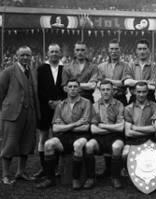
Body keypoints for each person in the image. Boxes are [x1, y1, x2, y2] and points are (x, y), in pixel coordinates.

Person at [36, 79, 92, 190]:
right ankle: (50, 179)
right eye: (70, 86)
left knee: (77, 145)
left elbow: (86, 127)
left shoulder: (86, 103)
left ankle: (75, 179)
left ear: (79, 89)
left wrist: (65, 126)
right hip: (64, 137)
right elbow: (56, 128)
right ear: (65, 89)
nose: (72, 89)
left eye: (75, 86)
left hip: (82, 136)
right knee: (48, 144)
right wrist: (76, 124)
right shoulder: (60, 105)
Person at [0, 46, 40, 185]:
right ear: (16, 55)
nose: (25, 58)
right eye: (22, 55)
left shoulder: (33, 72)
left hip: (30, 112)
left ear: (31, 56)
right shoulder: (8, 72)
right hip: (12, 113)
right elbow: (1, 92)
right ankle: (5, 175)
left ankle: (20, 172)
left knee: (27, 143)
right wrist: (4, 110)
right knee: (9, 144)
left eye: (28, 55)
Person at [85, 80, 125, 189]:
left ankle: (115, 177)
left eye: (108, 89)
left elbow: (121, 128)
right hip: (100, 138)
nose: (106, 92)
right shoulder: (94, 106)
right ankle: (91, 178)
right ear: (100, 91)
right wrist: (112, 128)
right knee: (89, 146)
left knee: (116, 147)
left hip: (116, 137)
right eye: (103, 89)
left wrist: (102, 125)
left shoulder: (119, 105)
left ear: (113, 91)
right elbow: (93, 129)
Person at [34, 44, 66, 179]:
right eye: (52, 51)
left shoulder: (65, 68)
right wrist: (48, 101)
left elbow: (67, 87)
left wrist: (60, 102)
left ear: (60, 53)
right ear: (47, 53)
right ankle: (44, 168)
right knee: (43, 137)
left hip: (60, 107)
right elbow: (39, 89)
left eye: (56, 52)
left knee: (57, 136)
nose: (54, 54)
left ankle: (56, 167)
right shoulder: (41, 69)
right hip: (44, 107)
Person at [121, 82, 156, 163]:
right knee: (125, 153)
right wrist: (148, 131)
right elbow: (128, 133)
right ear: (134, 92)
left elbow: (155, 128)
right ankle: (129, 173)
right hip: (133, 140)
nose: (141, 95)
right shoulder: (128, 109)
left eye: (144, 92)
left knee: (152, 155)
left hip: (150, 139)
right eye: (139, 92)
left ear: (147, 92)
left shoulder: (155, 107)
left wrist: (135, 128)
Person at [122, 39, 156, 104]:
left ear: (148, 50)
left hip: (150, 99)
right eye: (140, 49)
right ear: (136, 51)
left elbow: (153, 87)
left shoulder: (154, 66)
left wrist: (133, 82)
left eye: (144, 49)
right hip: (134, 99)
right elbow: (126, 82)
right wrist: (146, 82)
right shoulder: (131, 65)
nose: (142, 51)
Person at [98, 39, 128, 106]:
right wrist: (117, 86)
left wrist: (107, 81)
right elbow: (99, 84)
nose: (114, 51)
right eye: (112, 49)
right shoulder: (101, 66)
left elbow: (125, 83)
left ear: (120, 50)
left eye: (116, 49)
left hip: (121, 99)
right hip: (105, 99)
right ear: (108, 50)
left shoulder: (126, 66)